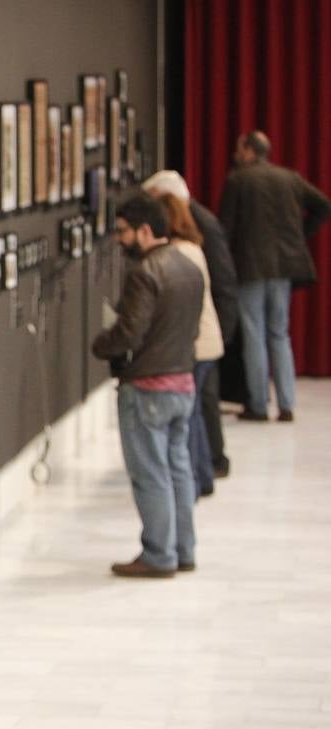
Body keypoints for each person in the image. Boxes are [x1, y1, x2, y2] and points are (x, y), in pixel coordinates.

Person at [92, 194, 205, 577]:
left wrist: (101, 343)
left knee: (150, 473)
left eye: (123, 231)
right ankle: (183, 549)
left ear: (145, 230)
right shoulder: (190, 267)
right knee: (178, 469)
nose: (119, 239)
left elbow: (129, 332)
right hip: (183, 382)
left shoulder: (146, 273)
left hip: (147, 387)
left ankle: (159, 554)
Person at [219, 130, 331, 422]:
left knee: (254, 333)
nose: (235, 155)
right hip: (283, 268)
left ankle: (257, 404)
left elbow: (225, 228)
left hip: (249, 268)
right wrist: (299, 238)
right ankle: (286, 403)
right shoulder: (289, 178)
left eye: (239, 149)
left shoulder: (238, 180)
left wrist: (223, 264)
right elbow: (323, 206)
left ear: (249, 152)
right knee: (279, 333)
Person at [143, 169, 239, 477]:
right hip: (201, 334)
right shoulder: (190, 235)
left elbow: (223, 281)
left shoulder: (197, 232)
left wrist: (222, 331)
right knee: (196, 407)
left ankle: (207, 466)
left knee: (197, 407)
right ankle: (206, 467)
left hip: (202, 335)